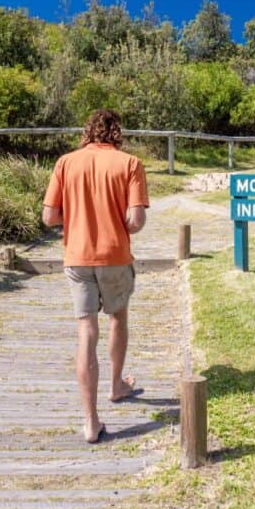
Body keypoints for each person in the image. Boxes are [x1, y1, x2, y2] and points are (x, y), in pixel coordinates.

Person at [42, 109, 149, 443]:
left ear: (87, 131)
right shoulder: (130, 164)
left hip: (77, 256)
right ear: (117, 133)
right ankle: (117, 386)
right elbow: (136, 222)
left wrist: (78, 218)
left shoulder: (65, 163)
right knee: (118, 317)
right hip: (115, 255)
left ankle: (90, 423)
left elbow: (49, 217)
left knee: (86, 331)